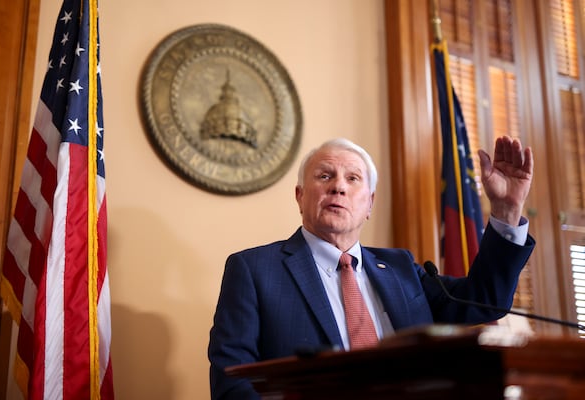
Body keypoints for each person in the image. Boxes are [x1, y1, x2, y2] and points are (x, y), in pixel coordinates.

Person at [208, 136, 535, 400]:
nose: (338, 187)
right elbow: (232, 380)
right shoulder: (253, 270)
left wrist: (506, 210)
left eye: (352, 179)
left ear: (369, 203)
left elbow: (483, 300)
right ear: (300, 196)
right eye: (325, 176)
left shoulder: (401, 268)